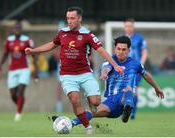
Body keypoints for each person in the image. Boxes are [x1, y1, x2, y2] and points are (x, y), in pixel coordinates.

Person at [25, 6, 123, 134]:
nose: (69, 21)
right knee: (75, 99)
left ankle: (90, 105)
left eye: (72, 18)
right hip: (67, 75)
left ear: (79, 18)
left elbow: (101, 50)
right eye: (68, 18)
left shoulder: (87, 35)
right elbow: (52, 44)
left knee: (96, 101)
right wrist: (34, 50)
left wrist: (115, 65)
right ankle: (88, 127)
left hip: (85, 74)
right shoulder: (62, 33)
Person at [71, 36, 164, 126]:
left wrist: (157, 88)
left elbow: (146, 75)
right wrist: (104, 74)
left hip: (125, 96)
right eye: (118, 49)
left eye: (124, 49)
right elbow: (106, 68)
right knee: (90, 112)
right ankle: (70, 123)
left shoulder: (135, 64)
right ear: (115, 49)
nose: (121, 52)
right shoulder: (110, 61)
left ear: (129, 51)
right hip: (111, 103)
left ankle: (127, 107)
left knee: (128, 88)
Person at [0, 21, 38, 121]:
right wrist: (0, 66)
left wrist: (35, 69)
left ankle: (18, 114)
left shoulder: (27, 40)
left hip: (24, 69)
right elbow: (5, 53)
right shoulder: (9, 40)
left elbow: (33, 54)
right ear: (13, 29)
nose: (17, 30)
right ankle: (20, 105)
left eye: (19, 28)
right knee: (13, 95)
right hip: (12, 70)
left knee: (20, 91)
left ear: (21, 29)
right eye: (16, 28)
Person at [123, 18, 148, 119]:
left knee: (134, 90)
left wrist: (141, 64)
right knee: (124, 90)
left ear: (133, 27)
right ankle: (126, 109)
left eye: (130, 26)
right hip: (124, 68)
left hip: (135, 68)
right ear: (124, 27)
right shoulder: (122, 38)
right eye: (127, 26)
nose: (128, 28)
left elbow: (144, 51)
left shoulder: (139, 38)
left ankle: (133, 112)